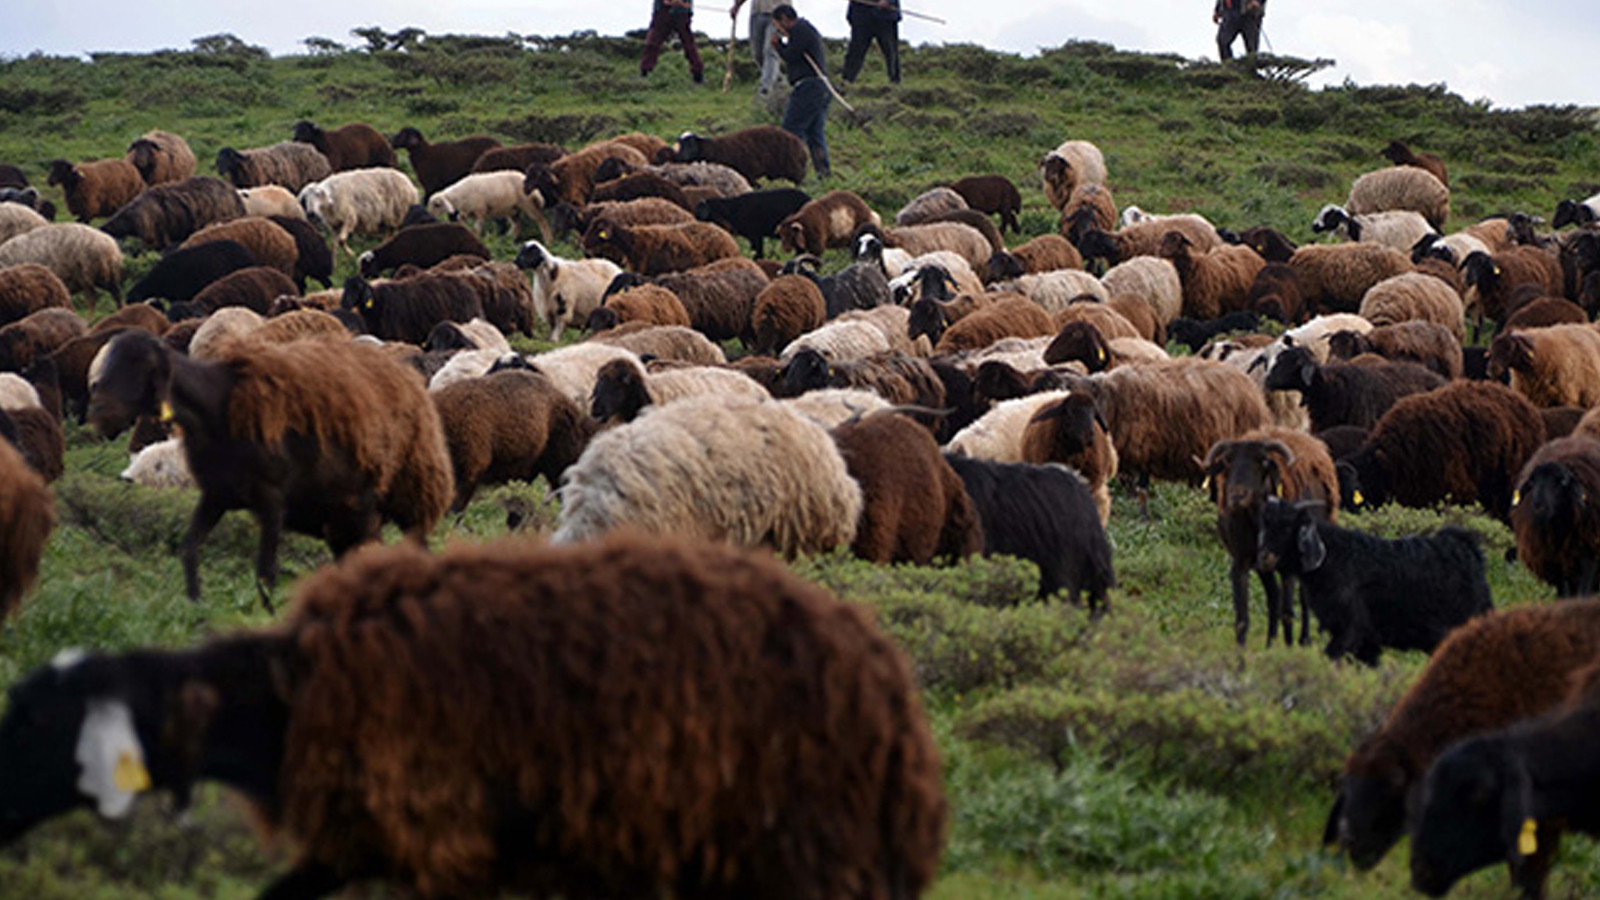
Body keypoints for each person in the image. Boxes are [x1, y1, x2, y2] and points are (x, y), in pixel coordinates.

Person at [771, 4, 831, 178]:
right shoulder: (804, 29)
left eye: (777, 24)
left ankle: (790, 170)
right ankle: (823, 172)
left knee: (791, 132)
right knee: (815, 134)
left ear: (784, 19)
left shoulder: (800, 29)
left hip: (808, 87)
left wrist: (778, 46)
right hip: (820, 88)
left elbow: (792, 55)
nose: (778, 30)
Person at [641, 0, 705, 83]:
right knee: (653, 42)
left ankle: (698, 73)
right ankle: (645, 71)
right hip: (663, 10)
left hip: (681, 12)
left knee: (688, 43)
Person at [730, 0, 782, 95]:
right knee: (757, 53)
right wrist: (737, 6)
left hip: (778, 11)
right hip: (757, 12)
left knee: (770, 50)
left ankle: (766, 87)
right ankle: (777, 79)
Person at [842, 0, 900, 84]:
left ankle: (895, 81)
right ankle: (847, 80)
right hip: (861, 13)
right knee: (856, 50)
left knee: (890, 51)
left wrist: (889, 1)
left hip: (885, 16)